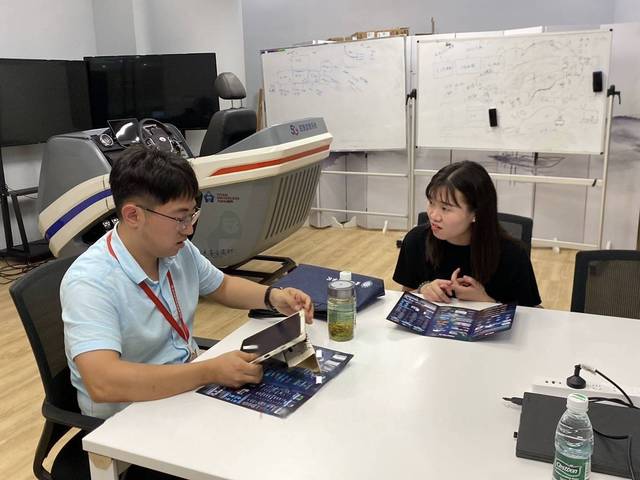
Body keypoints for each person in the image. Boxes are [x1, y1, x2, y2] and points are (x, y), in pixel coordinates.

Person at [61, 145, 314, 420]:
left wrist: (273, 297)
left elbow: (222, 286)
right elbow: (104, 383)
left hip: (183, 386)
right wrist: (209, 371)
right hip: (129, 414)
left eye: (192, 214)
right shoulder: (90, 282)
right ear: (133, 215)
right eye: (180, 218)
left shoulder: (174, 249)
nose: (189, 228)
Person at [393, 160, 541, 307]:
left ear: (476, 213)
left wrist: (488, 302)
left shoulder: (513, 255)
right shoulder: (416, 240)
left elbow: (534, 312)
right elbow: (406, 293)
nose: (433, 215)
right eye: (431, 202)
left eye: (445, 208)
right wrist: (423, 289)